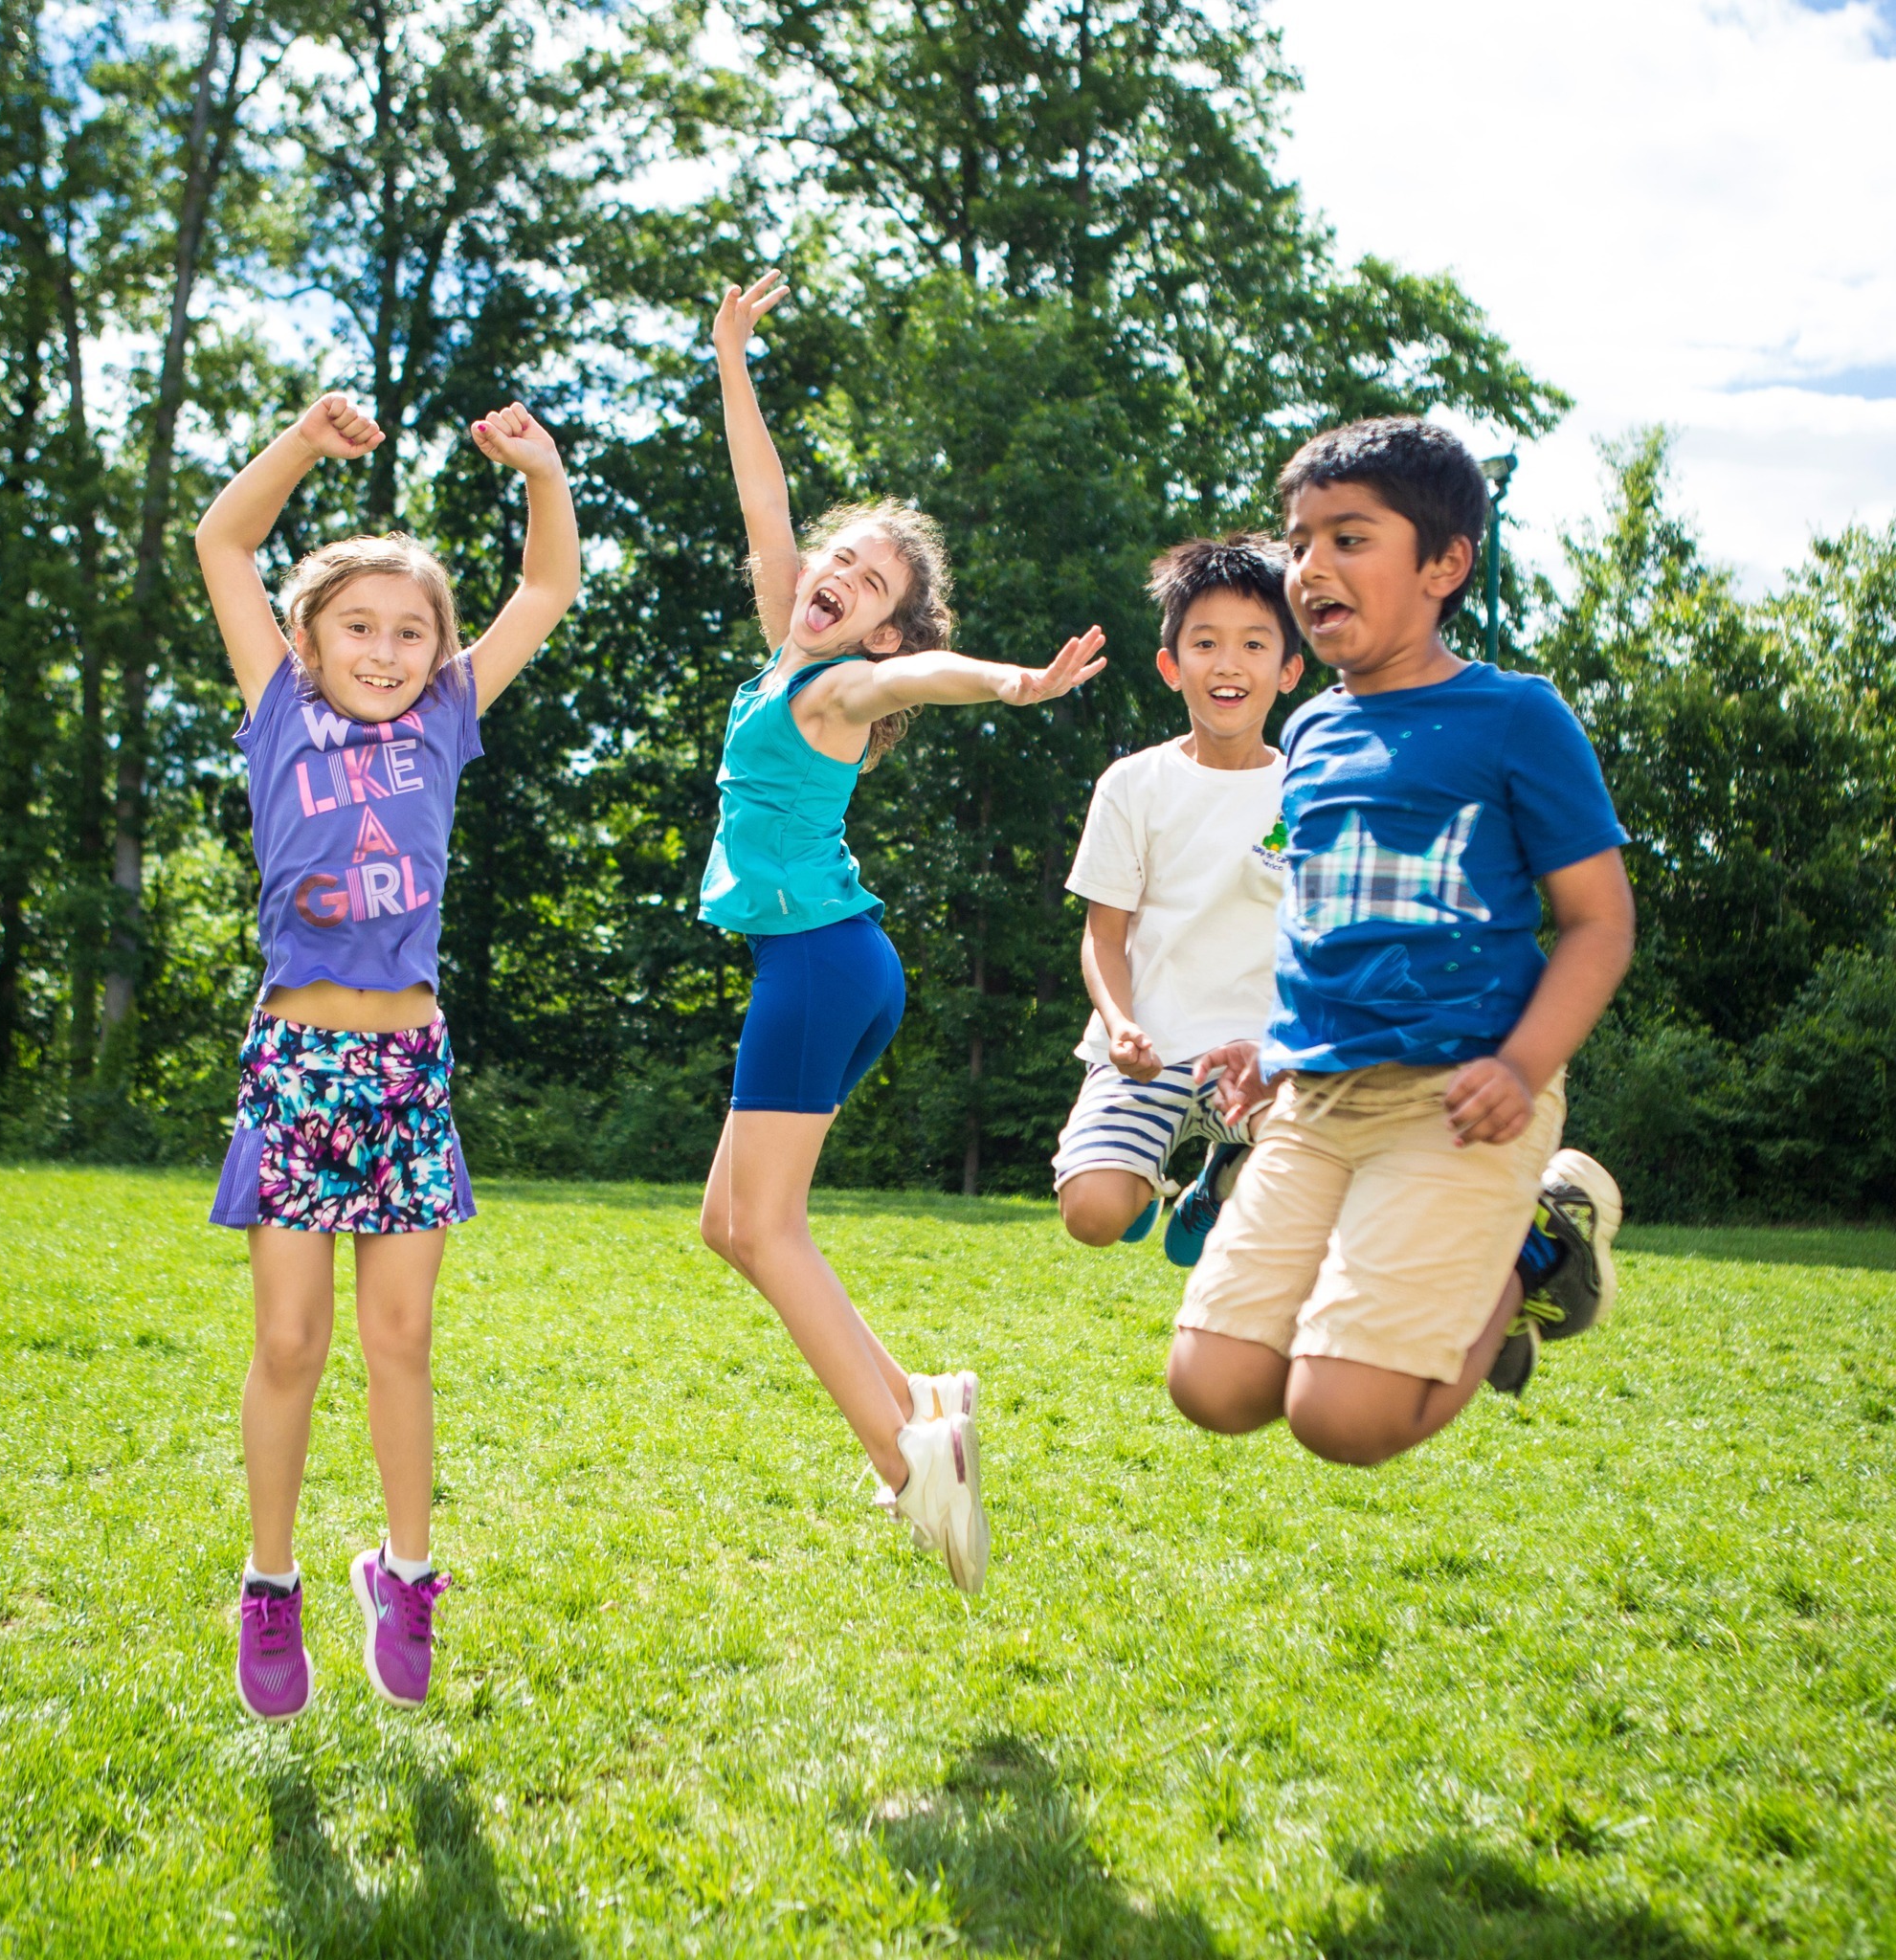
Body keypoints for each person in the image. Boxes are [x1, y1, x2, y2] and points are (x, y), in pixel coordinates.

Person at [697, 272, 1105, 1594]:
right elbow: (765, 498)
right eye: (838, 559)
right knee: (733, 1221)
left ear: (881, 622)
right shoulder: (786, 648)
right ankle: (922, 1393)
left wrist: (1010, 681)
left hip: (822, 967)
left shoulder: (847, 689)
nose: (838, 577)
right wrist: (733, 357)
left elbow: (925, 675)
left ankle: (909, 1461)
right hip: (828, 965)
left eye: (870, 583)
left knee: (767, 1230)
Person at [195, 391, 579, 1718]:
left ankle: (405, 1574)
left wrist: (539, 470)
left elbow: (548, 582)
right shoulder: (278, 711)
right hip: (298, 1063)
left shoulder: (445, 720)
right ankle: (269, 1587)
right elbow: (222, 544)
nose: (386, 646)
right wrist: (302, 445)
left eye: (411, 628)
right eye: (358, 624)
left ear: (439, 652)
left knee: (401, 1339)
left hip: (408, 1072)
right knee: (292, 1342)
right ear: (306, 641)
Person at [1169, 416, 1633, 1463]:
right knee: (1213, 1386)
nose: (1309, 566)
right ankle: (1458, 1274)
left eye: (1348, 537)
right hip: (1317, 1097)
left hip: (1460, 1097)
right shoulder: (1313, 731)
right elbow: (1324, 917)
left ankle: (1532, 1247)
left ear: (1444, 563)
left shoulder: (1515, 716)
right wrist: (1271, 1043)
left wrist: (1521, 1065)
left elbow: (1598, 922)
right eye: (1298, 541)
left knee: (1344, 1419)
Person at [1053, 534, 1303, 1269]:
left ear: (1289, 668)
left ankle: (1222, 1179)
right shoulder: (1131, 784)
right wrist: (1121, 1026)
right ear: (1172, 665)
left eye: (1255, 644)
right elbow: (1104, 934)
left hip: (1260, 1060)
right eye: (1205, 643)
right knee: (1094, 1214)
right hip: (1148, 1054)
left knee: (1319, 1174)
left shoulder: (1309, 791)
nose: (1228, 663)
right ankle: (1143, 1178)